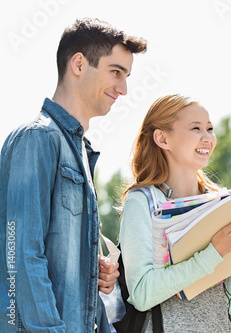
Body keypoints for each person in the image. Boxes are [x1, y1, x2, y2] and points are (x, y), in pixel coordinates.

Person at [0, 18, 147, 332]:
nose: (123, 89)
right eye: (116, 72)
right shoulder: (37, 139)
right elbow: (20, 256)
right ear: (79, 63)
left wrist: (90, 269)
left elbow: (52, 251)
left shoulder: (81, 149)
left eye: (126, 76)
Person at [119, 94, 231, 332]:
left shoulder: (220, 201)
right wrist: (214, 253)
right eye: (196, 128)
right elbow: (142, 294)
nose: (207, 138)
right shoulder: (141, 202)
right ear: (162, 138)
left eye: (210, 129)